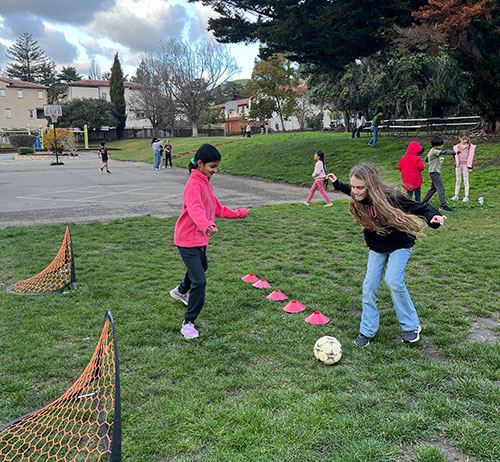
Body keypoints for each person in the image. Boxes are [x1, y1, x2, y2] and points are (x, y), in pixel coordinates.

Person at [326, 163, 446, 346]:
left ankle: (411, 326)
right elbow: (347, 189)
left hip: (400, 244)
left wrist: (434, 218)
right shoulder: (358, 195)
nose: (356, 192)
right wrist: (337, 183)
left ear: (371, 186)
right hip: (377, 246)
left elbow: (420, 208)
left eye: (360, 188)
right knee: (369, 287)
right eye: (354, 187)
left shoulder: (392, 197)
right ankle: (366, 331)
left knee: (393, 281)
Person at [170, 144, 249, 339]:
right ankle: (188, 322)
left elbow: (217, 208)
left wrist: (240, 214)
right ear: (200, 163)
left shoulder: (205, 182)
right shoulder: (193, 185)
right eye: (212, 167)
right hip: (187, 240)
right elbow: (196, 209)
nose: (215, 171)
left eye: (216, 167)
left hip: (200, 240)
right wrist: (205, 225)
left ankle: (180, 291)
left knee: (201, 267)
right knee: (200, 281)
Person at [422, 136, 455, 211]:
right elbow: (444, 152)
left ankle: (423, 202)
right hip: (435, 172)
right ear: (435, 146)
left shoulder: (431, 151)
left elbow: (426, 159)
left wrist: (433, 160)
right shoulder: (434, 151)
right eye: (440, 145)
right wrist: (454, 152)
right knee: (441, 189)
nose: (442, 146)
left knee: (433, 189)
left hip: (433, 172)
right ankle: (443, 205)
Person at [451, 132, 476, 202]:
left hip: (466, 166)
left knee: (466, 181)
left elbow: (471, 157)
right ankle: (456, 195)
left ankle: (466, 196)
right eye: (463, 139)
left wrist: (470, 167)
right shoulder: (456, 147)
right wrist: (455, 164)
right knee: (458, 180)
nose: (464, 141)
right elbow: (454, 157)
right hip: (458, 166)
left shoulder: (470, 147)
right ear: (459, 138)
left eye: (466, 139)